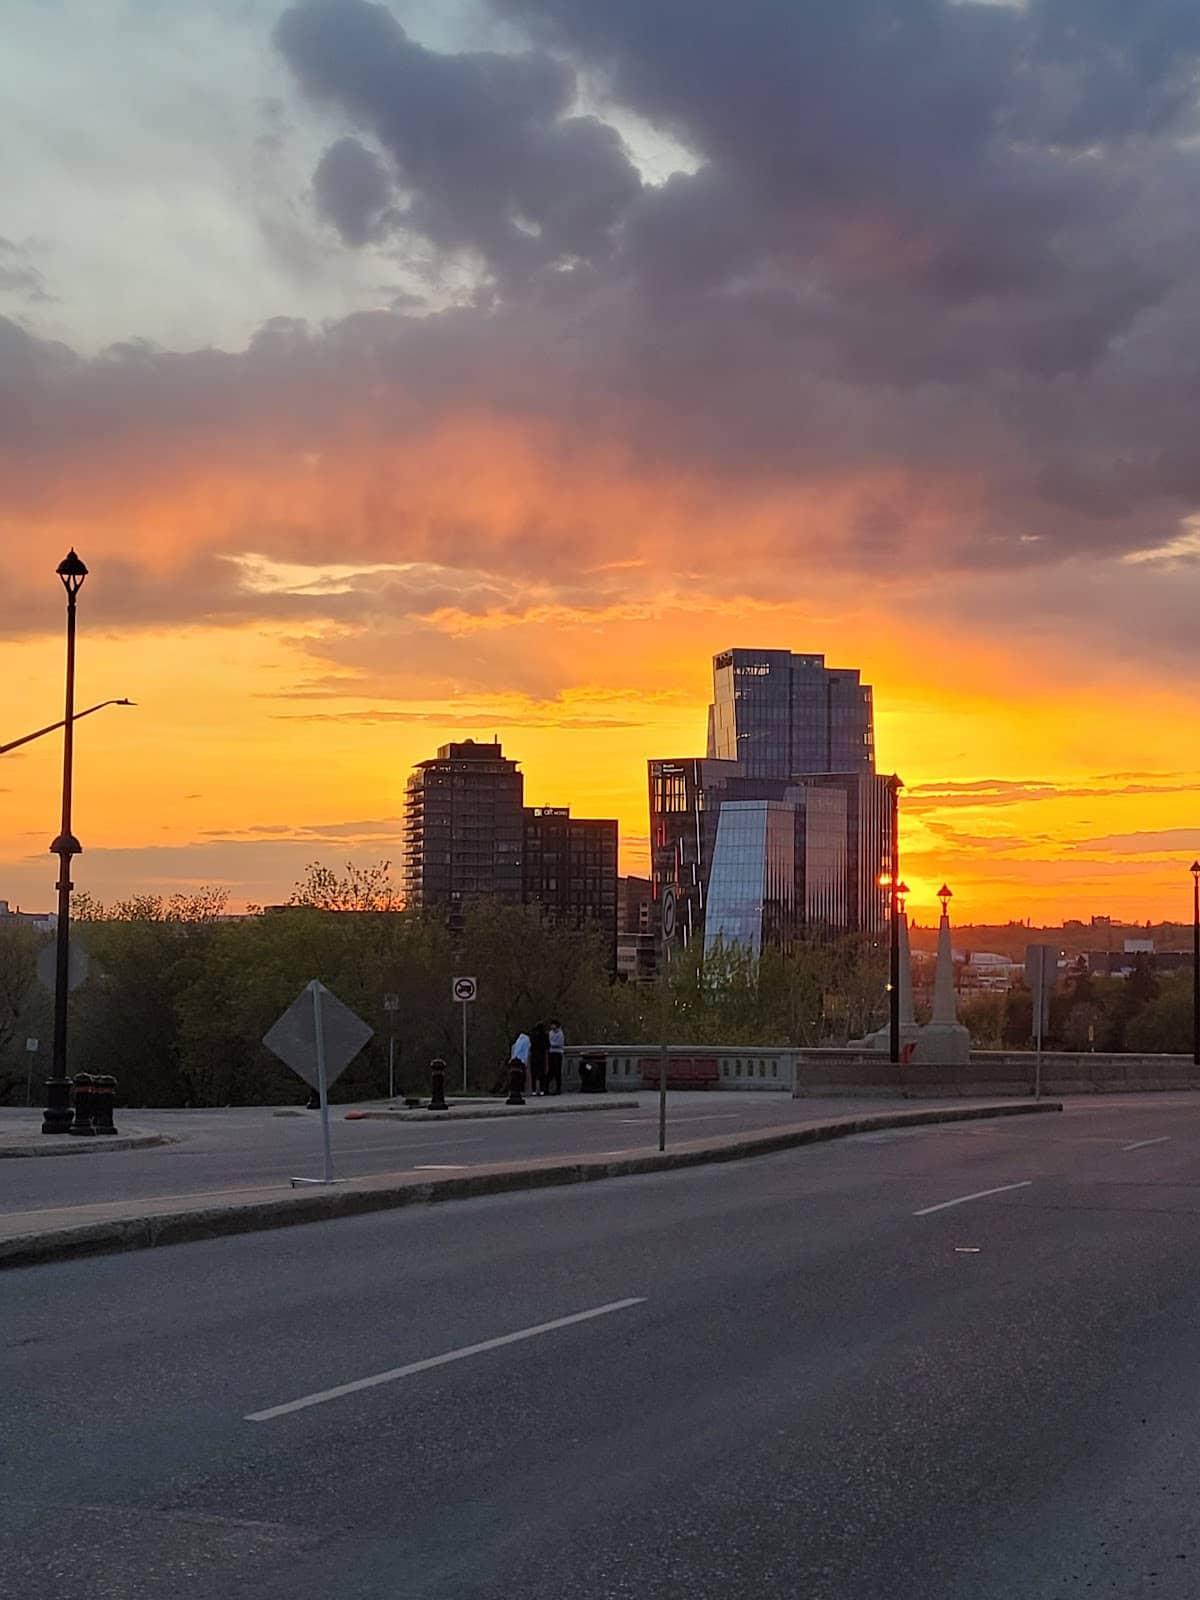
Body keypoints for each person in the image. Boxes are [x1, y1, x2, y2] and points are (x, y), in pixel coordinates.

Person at [529, 1022, 550, 1096]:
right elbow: (548, 1046)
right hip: (542, 1056)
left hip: (534, 1056)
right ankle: (542, 1090)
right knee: (542, 1074)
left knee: (533, 1074)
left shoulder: (532, 1035)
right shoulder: (544, 1035)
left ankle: (534, 1090)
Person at [509, 1027, 532, 1093]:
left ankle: (518, 1089)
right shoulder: (526, 1040)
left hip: (516, 1060)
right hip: (521, 1061)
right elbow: (526, 1051)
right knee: (521, 1076)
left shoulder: (518, 1041)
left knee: (517, 1076)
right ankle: (521, 1089)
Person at [547, 1019, 565, 1095]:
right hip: (551, 1053)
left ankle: (558, 1088)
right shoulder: (550, 1033)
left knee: (557, 1071)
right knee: (550, 1071)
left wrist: (552, 1044)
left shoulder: (560, 1033)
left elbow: (560, 1043)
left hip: (558, 1053)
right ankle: (548, 1088)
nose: (552, 1026)